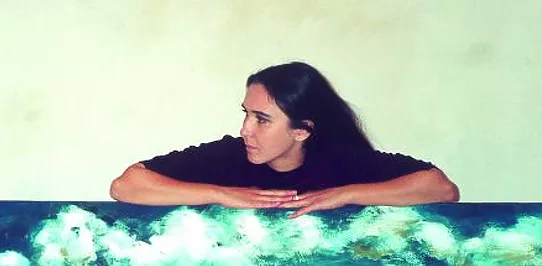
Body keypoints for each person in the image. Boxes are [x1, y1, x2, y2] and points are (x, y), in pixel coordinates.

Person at [110, 62, 459, 218]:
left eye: (261, 119)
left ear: (301, 131)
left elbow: (441, 189)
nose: (246, 129)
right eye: (246, 114)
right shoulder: (229, 155)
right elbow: (126, 186)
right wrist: (219, 194)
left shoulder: (341, 160)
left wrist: (347, 194)